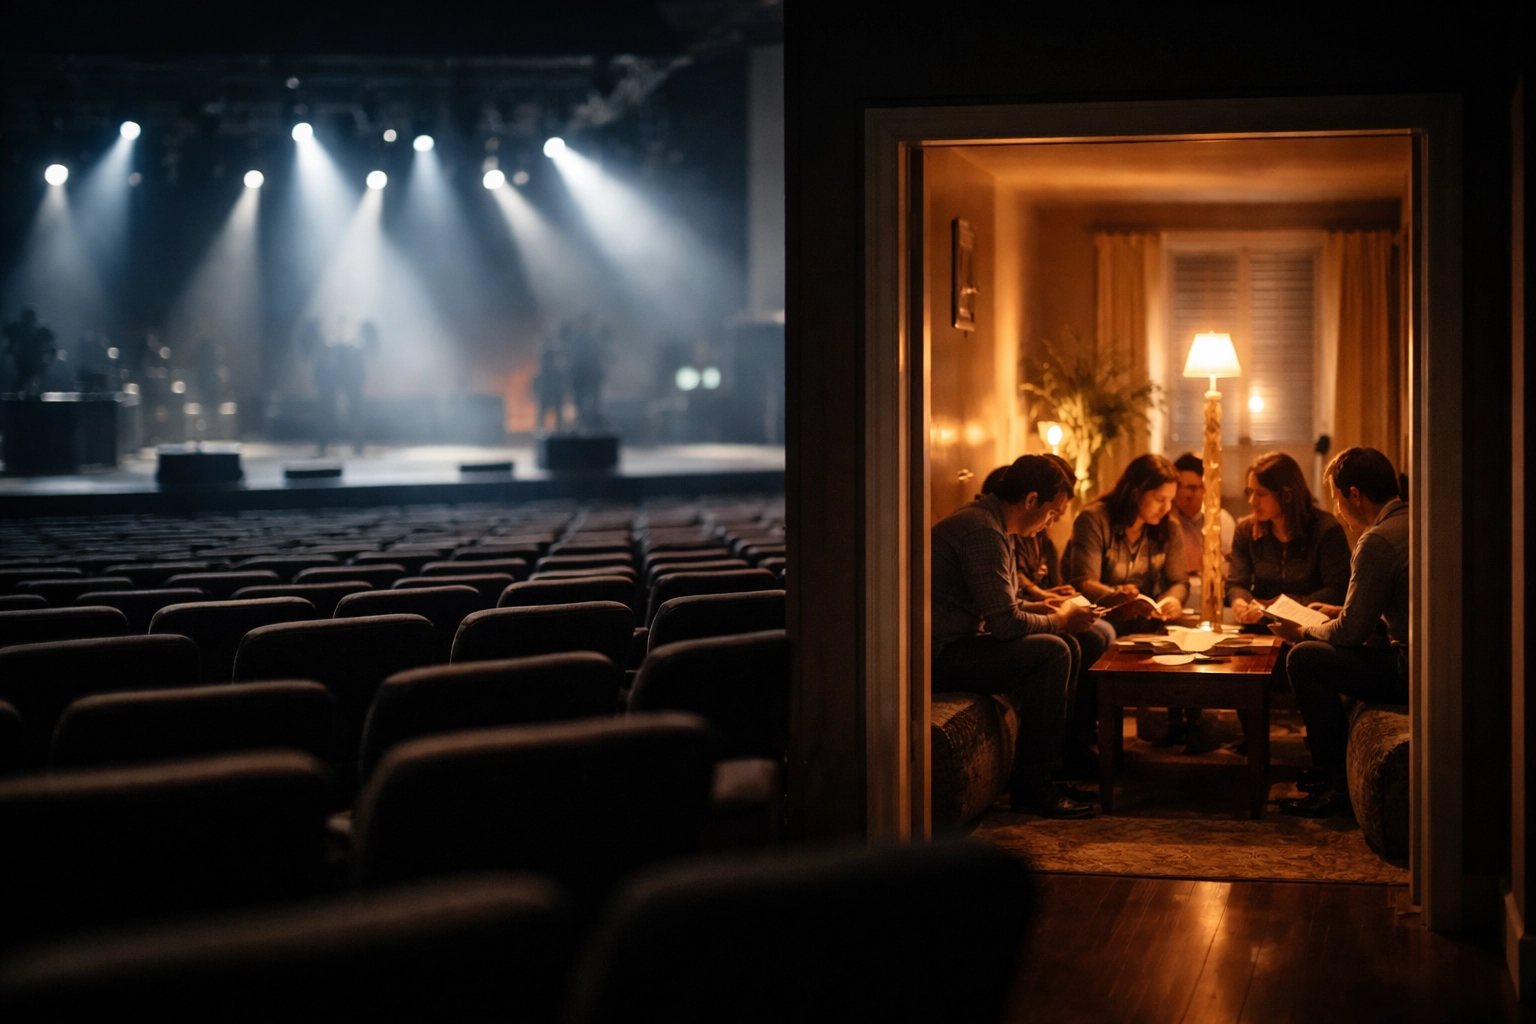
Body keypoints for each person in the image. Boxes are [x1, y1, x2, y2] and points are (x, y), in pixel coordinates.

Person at [932, 454, 1101, 818]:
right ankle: (1032, 787)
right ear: (1030, 500)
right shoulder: (983, 531)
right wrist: (1060, 619)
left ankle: (1047, 774)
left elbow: (1007, 605)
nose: (1050, 523)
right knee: (1054, 651)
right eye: (1052, 513)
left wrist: (1057, 610)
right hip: (937, 654)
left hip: (958, 643)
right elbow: (1006, 624)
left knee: (1067, 643)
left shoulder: (995, 525)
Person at [1268, 447, 1407, 818]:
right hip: (1425, 658)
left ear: (1355, 496)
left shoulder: (1376, 541)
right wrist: (1337, 612)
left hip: (1410, 670)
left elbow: (1349, 634)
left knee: (1304, 659)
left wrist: (1303, 631)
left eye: (1338, 499)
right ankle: (1330, 770)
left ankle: (1336, 784)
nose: (1338, 511)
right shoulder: (1411, 521)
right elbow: (1388, 611)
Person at [1227, 451, 1351, 625]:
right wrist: (1240, 603)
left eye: (1261, 494)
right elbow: (1236, 583)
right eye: (1250, 492)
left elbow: (1337, 589)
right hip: (1260, 626)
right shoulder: (1246, 530)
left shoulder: (1325, 529)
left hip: (1310, 630)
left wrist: (1289, 605)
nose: (1252, 501)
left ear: (1286, 495)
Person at [1066, 453, 1190, 622]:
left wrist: (1172, 600)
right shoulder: (1094, 519)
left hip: (1145, 619)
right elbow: (1084, 583)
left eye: (1171, 500)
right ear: (1135, 493)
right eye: (1160, 499)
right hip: (1099, 617)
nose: (1166, 508)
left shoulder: (1169, 528)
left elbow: (1179, 582)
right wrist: (1120, 597)